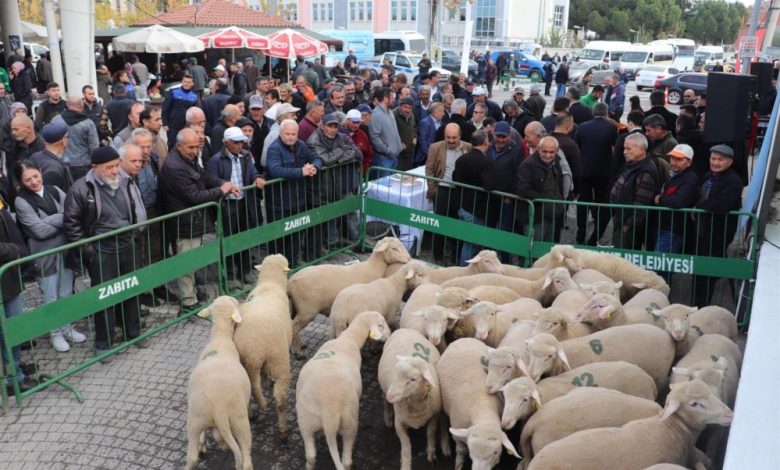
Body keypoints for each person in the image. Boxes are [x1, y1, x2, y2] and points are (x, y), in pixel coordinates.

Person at [63, 146, 148, 358]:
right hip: (102, 249)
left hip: (127, 243)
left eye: (117, 165)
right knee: (104, 297)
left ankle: (133, 332)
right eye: (109, 167)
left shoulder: (125, 181)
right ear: (95, 167)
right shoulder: (81, 188)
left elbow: (134, 209)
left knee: (131, 289)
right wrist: (89, 252)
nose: (114, 171)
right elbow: (72, 224)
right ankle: (104, 343)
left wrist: (135, 235)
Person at [159, 129, 239, 310]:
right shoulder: (174, 166)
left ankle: (193, 293)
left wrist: (222, 183)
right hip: (184, 221)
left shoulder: (187, 158)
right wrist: (221, 190)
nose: (195, 151)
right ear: (179, 146)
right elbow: (194, 196)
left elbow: (204, 175)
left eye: (197, 146)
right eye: (191, 147)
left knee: (193, 260)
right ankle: (188, 301)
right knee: (186, 262)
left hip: (192, 219)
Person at [14, 159, 86, 353]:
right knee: (50, 294)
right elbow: (38, 231)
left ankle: (67, 326)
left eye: (36, 176)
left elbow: (71, 213)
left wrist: (49, 220)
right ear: (21, 182)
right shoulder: (21, 201)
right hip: (43, 253)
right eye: (28, 180)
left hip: (64, 248)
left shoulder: (54, 190)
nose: (34, 182)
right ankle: (55, 332)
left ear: (40, 171)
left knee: (65, 291)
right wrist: (59, 220)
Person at [206, 128, 265, 286]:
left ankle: (245, 271)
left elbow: (252, 171)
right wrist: (223, 184)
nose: (240, 145)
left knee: (244, 238)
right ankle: (230, 276)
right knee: (230, 241)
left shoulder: (246, 156)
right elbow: (210, 177)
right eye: (236, 142)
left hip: (243, 201)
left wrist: (257, 177)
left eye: (241, 142)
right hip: (227, 204)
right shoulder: (216, 160)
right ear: (226, 143)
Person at [691, 144, 743, 306]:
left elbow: (722, 204)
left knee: (708, 274)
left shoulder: (733, 181)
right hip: (702, 232)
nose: (715, 162)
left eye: (720, 159)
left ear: (730, 162)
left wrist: (698, 208)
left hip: (718, 234)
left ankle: (702, 308)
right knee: (699, 273)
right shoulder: (708, 176)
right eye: (713, 158)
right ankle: (695, 305)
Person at [265, 120, 323, 266]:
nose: (291, 137)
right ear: (280, 133)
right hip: (279, 202)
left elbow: (316, 158)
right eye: (287, 134)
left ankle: (292, 263)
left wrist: (314, 167)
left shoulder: (301, 145)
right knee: (279, 238)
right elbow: (275, 170)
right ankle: (276, 266)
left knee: (296, 235)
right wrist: (301, 172)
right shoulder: (274, 149)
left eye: (293, 134)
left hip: (299, 199)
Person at [307, 113, 362, 249]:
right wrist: (340, 151)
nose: (333, 130)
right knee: (329, 214)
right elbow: (325, 160)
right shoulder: (314, 139)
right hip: (323, 185)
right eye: (329, 126)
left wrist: (338, 159)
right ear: (322, 126)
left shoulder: (341, 136)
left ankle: (358, 240)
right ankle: (332, 242)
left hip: (340, 181)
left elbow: (356, 153)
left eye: (335, 126)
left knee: (350, 211)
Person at [0, 186, 34, 393]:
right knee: (8, 330)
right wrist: (15, 251)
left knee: (15, 326)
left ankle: (17, 366)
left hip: (9, 274)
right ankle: (14, 379)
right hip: (3, 278)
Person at [425, 123, 472, 264]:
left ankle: (454, 258)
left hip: (459, 192)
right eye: (448, 137)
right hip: (442, 191)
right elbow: (429, 169)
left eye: (454, 138)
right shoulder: (435, 147)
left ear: (460, 136)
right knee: (439, 225)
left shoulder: (468, 148)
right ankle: (438, 257)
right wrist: (433, 189)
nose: (451, 141)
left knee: (456, 226)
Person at [653, 144, 699, 283]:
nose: (673, 162)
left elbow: (680, 201)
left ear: (689, 162)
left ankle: (661, 291)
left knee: (661, 264)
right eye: (672, 158)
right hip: (666, 225)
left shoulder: (690, 179)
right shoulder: (675, 176)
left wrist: (660, 198)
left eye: (679, 159)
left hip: (674, 228)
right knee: (660, 263)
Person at [575, 103, 618, 245]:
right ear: (606, 113)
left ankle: (580, 235)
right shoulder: (612, 128)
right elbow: (614, 148)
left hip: (585, 171)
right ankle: (595, 236)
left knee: (583, 203)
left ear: (593, 113)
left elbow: (578, 146)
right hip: (604, 172)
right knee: (601, 203)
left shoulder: (582, 127)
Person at [609, 133, 660, 249]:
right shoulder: (632, 164)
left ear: (641, 150)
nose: (624, 152)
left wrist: (627, 225)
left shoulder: (646, 171)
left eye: (628, 149)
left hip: (630, 227)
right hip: (621, 219)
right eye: (624, 148)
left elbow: (641, 204)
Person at [452, 130, 495, 265]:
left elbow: (455, 179)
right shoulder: (485, 161)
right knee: (471, 244)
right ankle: (465, 270)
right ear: (485, 143)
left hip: (464, 206)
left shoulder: (462, 159)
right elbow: (489, 185)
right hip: (477, 209)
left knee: (468, 241)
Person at [517, 136, 567, 242]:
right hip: (536, 217)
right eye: (545, 151)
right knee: (534, 249)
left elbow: (558, 184)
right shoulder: (528, 164)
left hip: (552, 214)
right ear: (539, 148)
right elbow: (522, 189)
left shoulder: (556, 162)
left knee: (547, 249)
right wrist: (544, 199)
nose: (548, 155)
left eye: (551, 152)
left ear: (557, 151)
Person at [31, 121, 74, 193]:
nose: (68, 139)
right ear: (62, 141)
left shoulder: (35, 156)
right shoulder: (53, 170)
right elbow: (51, 197)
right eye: (67, 136)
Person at [368, 87, 403, 175]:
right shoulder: (375, 115)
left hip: (394, 156)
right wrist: (387, 150)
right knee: (383, 186)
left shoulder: (390, 112)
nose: (394, 99)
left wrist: (399, 146)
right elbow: (374, 137)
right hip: (384, 159)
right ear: (385, 99)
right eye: (392, 97)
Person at [9, 115, 46, 192]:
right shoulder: (15, 145)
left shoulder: (42, 147)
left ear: (28, 129)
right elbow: (11, 167)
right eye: (12, 129)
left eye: (16, 129)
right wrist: (16, 185)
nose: (13, 133)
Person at [393, 97, 417, 171]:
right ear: (400, 106)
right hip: (398, 152)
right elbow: (392, 131)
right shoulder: (394, 114)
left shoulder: (411, 115)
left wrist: (415, 137)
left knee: (408, 173)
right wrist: (399, 142)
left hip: (410, 149)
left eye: (410, 108)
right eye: (405, 107)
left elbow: (414, 127)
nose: (407, 110)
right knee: (398, 174)